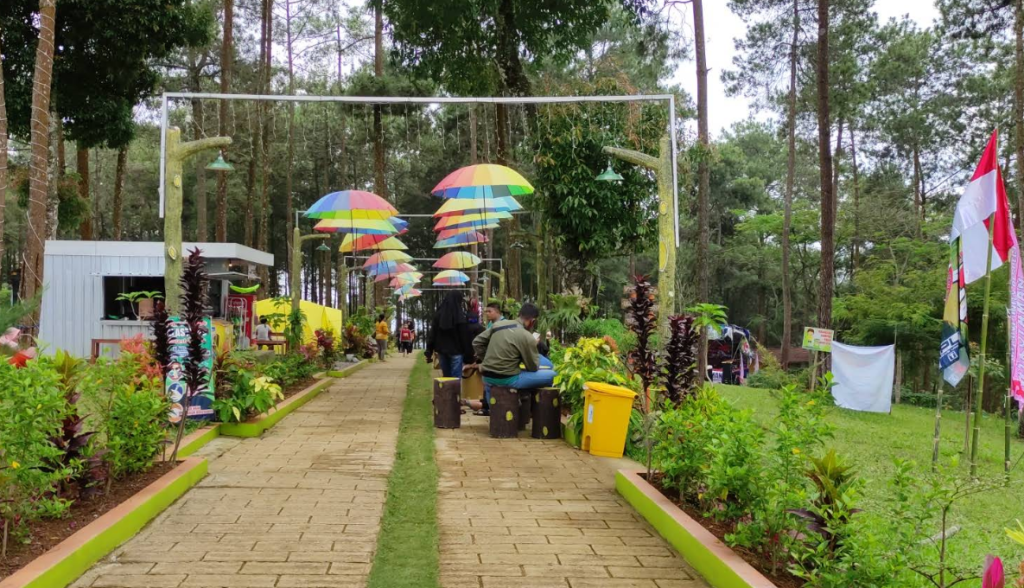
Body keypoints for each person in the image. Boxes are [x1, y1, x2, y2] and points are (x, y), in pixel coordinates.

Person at [472, 303, 556, 413]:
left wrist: (486, 358)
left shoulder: (499, 325)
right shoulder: (527, 337)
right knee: (553, 375)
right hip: (507, 380)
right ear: (532, 321)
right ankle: (534, 410)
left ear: (519, 314)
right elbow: (532, 367)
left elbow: (477, 342)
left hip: (487, 376)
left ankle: (493, 407)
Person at [426, 292, 474, 378]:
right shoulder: (460, 316)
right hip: (456, 352)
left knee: (447, 378)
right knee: (456, 379)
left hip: (442, 351)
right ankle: (455, 392)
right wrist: (469, 357)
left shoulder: (438, 315)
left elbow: (433, 334)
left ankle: (447, 391)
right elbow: (464, 338)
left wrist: (429, 350)